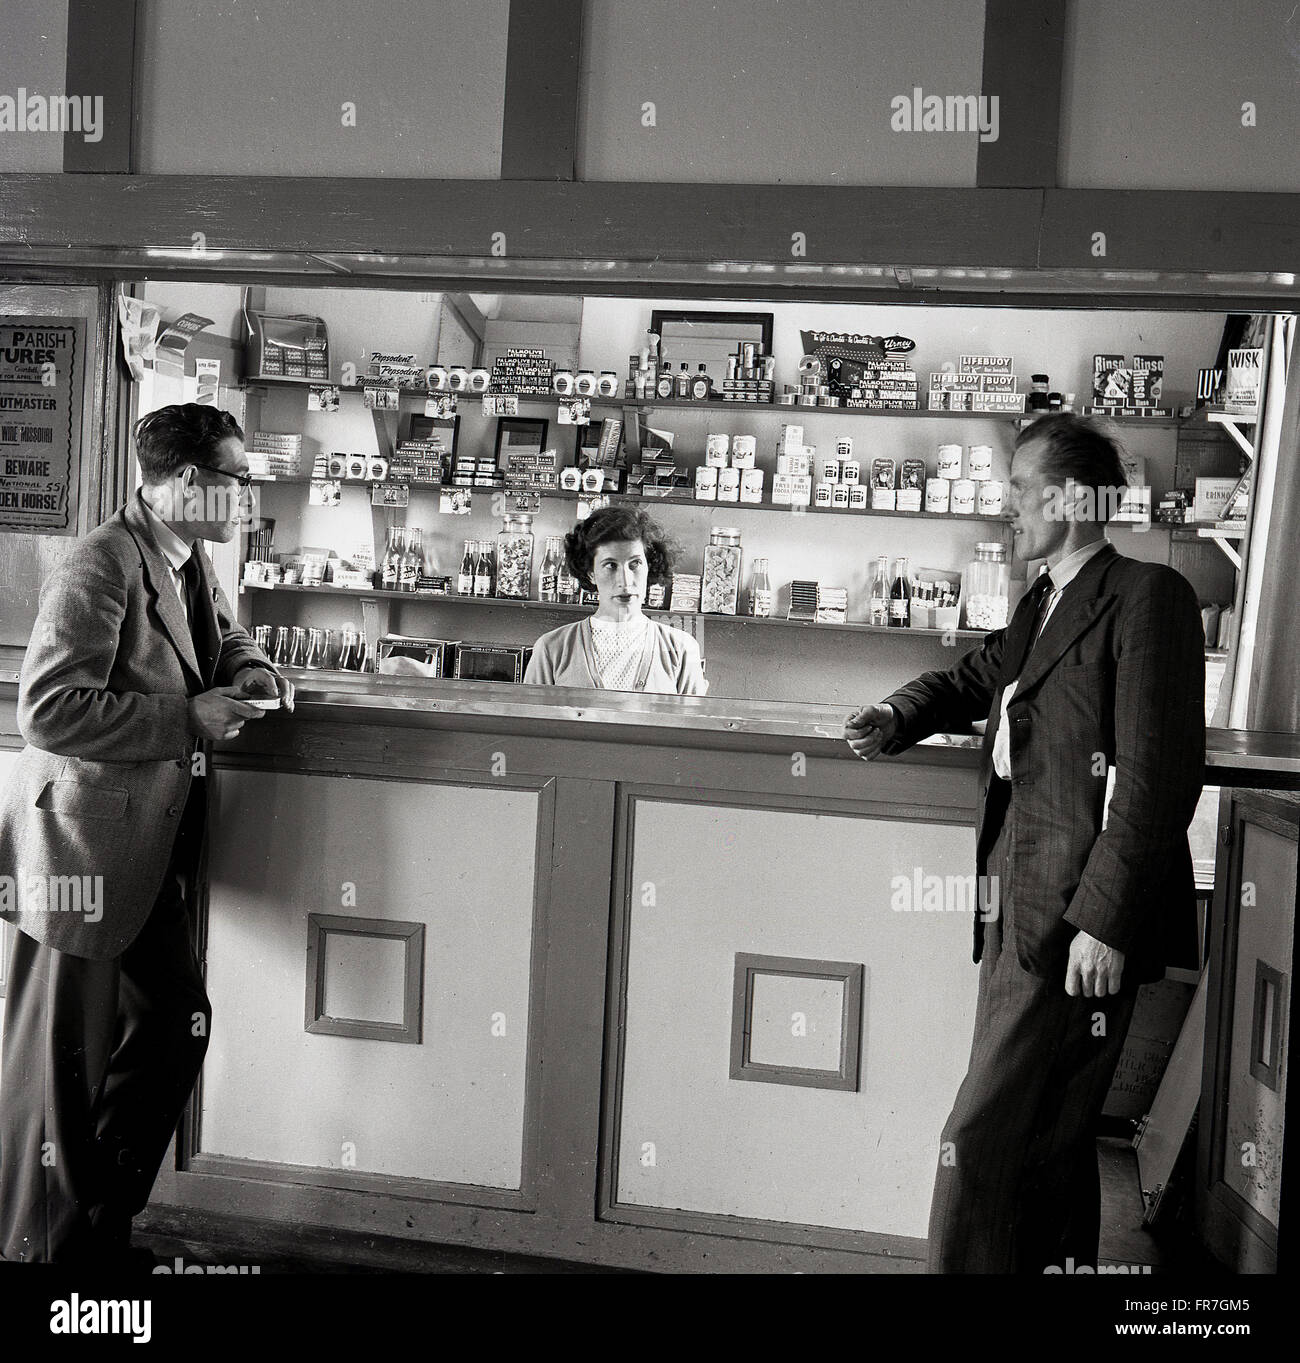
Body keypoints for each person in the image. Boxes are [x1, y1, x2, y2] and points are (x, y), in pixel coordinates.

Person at [844, 413, 1204, 1274]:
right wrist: (900, 714)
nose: (1004, 505)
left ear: (1075, 496)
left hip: (1080, 912)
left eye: (1018, 487)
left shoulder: (1148, 597)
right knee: (1048, 1130)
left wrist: (1107, 922)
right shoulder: (1042, 599)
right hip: (1013, 893)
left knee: (977, 1135)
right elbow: (978, 678)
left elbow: (1158, 778)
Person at [0, 403, 294, 1266]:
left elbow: (221, 634)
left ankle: (95, 1215)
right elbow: (50, 709)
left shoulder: (186, 556)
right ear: (190, 482)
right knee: (63, 1063)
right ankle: (46, 1245)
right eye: (239, 481)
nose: (246, 497)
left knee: (174, 1020)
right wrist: (186, 716)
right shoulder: (100, 562)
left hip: (138, 853)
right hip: (78, 854)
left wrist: (247, 666)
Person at [524, 505, 708, 695]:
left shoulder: (682, 649)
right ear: (590, 574)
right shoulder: (551, 648)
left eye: (635, 564)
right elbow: (530, 723)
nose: (625, 580)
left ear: (649, 566)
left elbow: (692, 723)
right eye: (610, 565)